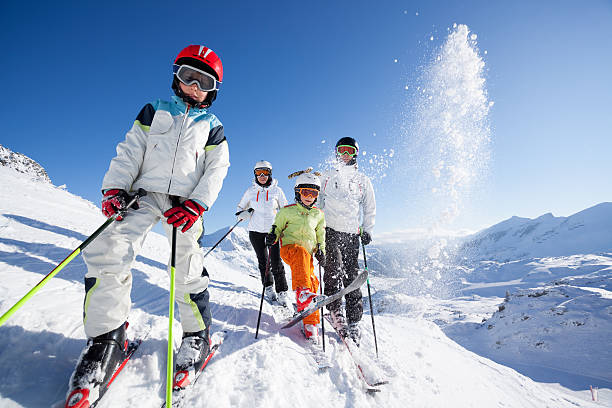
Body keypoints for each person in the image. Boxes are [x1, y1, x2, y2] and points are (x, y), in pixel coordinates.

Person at [65, 44, 230, 406]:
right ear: (176, 76)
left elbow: (217, 171)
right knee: (108, 250)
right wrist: (114, 187)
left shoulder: (213, 128)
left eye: (203, 82)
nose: (193, 86)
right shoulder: (154, 109)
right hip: (140, 195)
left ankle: (196, 334)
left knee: (185, 265)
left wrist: (197, 204)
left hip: (182, 205)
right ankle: (107, 338)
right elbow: (130, 150)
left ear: (213, 90)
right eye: (188, 76)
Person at [318, 137, 375, 346]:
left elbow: (369, 207)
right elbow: (318, 200)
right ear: (336, 153)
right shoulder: (327, 176)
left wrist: (367, 229)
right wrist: (318, 227)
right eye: (341, 150)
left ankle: (354, 319)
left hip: (352, 234)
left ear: (355, 154)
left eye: (349, 151)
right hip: (330, 230)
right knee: (332, 270)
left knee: (352, 275)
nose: (344, 154)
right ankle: (335, 312)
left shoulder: (362, 180)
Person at [266, 171, 326, 343]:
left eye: (314, 193)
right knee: (300, 254)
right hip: (290, 250)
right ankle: (302, 294)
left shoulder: (318, 214)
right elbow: (276, 228)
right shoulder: (287, 212)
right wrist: (272, 236)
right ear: (298, 192)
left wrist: (322, 251)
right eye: (305, 192)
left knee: (313, 282)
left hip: (307, 255)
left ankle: (310, 324)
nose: (309, 196)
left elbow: (321, 236)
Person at [236, 160, 291, 306]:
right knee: (263, 262)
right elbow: (240, 209)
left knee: (276, 262)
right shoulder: (250, 191)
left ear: (270, 173)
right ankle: (268, 287)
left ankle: (282, 292)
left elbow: (285, 210)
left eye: (265, 172)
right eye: (258, 172)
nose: (262, 175)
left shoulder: (277, 191)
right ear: (255, 174)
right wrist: (243, 214)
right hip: (255, 231)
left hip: (273, 231)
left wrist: (284, 226)